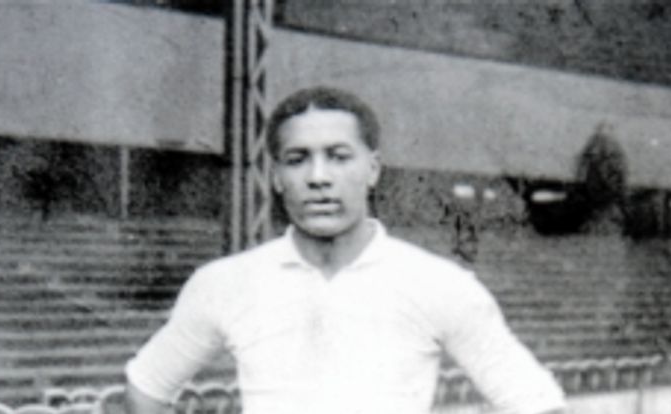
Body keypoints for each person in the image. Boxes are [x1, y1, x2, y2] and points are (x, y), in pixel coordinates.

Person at [125, 87, 566, 414]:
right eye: (297, 159)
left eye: (338, 156)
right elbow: (144, 391)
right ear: (276, 176)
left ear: (372, 169)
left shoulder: (439, 285)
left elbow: (538, 404)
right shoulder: (224, 284)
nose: (318, 177)